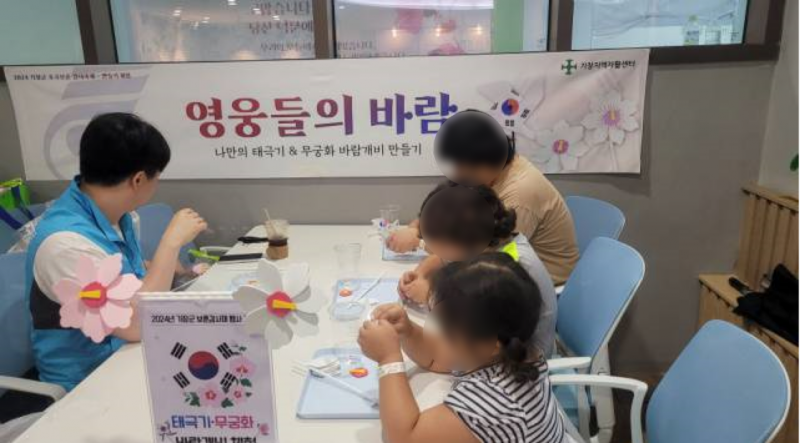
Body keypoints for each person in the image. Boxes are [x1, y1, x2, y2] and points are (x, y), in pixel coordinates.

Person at [25, 113, 207, 391]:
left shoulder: (116, 215)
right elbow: (136, 325)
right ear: (138, 180)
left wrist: (178, 270)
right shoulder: (65, 244)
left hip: (130, 355)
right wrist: (171, 244)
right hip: (88, 383)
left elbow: (121, 278)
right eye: (157, 177)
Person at [358, 253, 571, 443]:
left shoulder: (493, 403)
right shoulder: (510, 350)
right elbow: (436, 357)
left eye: (448, 333)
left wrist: (388, 358)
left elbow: (403, 438)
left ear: (490, 344)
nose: (440, 336)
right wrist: (408, 330)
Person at [387, 110, 579, 285]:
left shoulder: (520, 193)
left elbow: (482, 258)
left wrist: (420, 243)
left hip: (536, 286)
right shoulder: (492, 173)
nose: (457, 174)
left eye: (462, 167)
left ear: (482, 162)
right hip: (500, 272)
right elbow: (450, 219)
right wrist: (420, 271)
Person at [399, 182, 557, 357]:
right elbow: (444, 258)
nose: (436, 252)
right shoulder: (488, 242)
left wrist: (431, 297)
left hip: (518, 357)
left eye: (440, 246)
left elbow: (474, 328)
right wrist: (421, 274)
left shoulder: (508, 268)